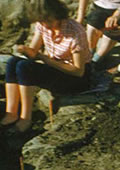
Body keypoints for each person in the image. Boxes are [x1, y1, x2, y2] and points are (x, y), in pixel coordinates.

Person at [2, 0, 90, 133]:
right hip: (56, 68)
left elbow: (78, 71)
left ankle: (26, 118)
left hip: (76, 78)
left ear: (57, 14)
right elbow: (33, 51)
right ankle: (12, 112)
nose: (45, 25)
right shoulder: (43, 25)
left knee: (24, 67)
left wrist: (44, 58)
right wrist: (26, 50)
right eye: (42, 21)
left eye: (48, 21)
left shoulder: (75, 31)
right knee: (13, 62)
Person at [76, 0, 120, 67]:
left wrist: (116, 15)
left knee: (110, 34)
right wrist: (80, 18)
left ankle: (96, 59)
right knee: (91, 29)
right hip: (100, 7)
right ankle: (89, 54)